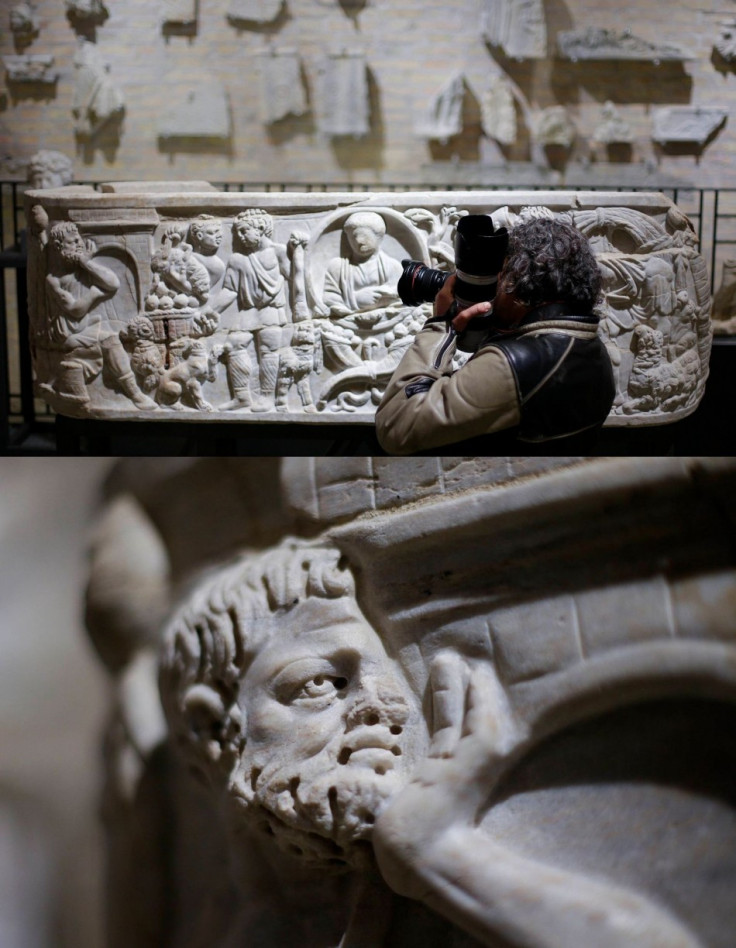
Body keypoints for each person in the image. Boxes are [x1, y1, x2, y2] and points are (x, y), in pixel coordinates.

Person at [159, 535, 700, 948]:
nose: (381, 708)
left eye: (383, 676)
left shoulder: (420, 884)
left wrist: (442, 854)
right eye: (321, 683)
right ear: (214, 728)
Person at [375, 218, 616, 455]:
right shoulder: (592, 350)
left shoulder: (515, 363)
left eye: (499, 275)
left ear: (519, 279)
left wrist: (440, 326)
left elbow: (396, 426)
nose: (494, 288)